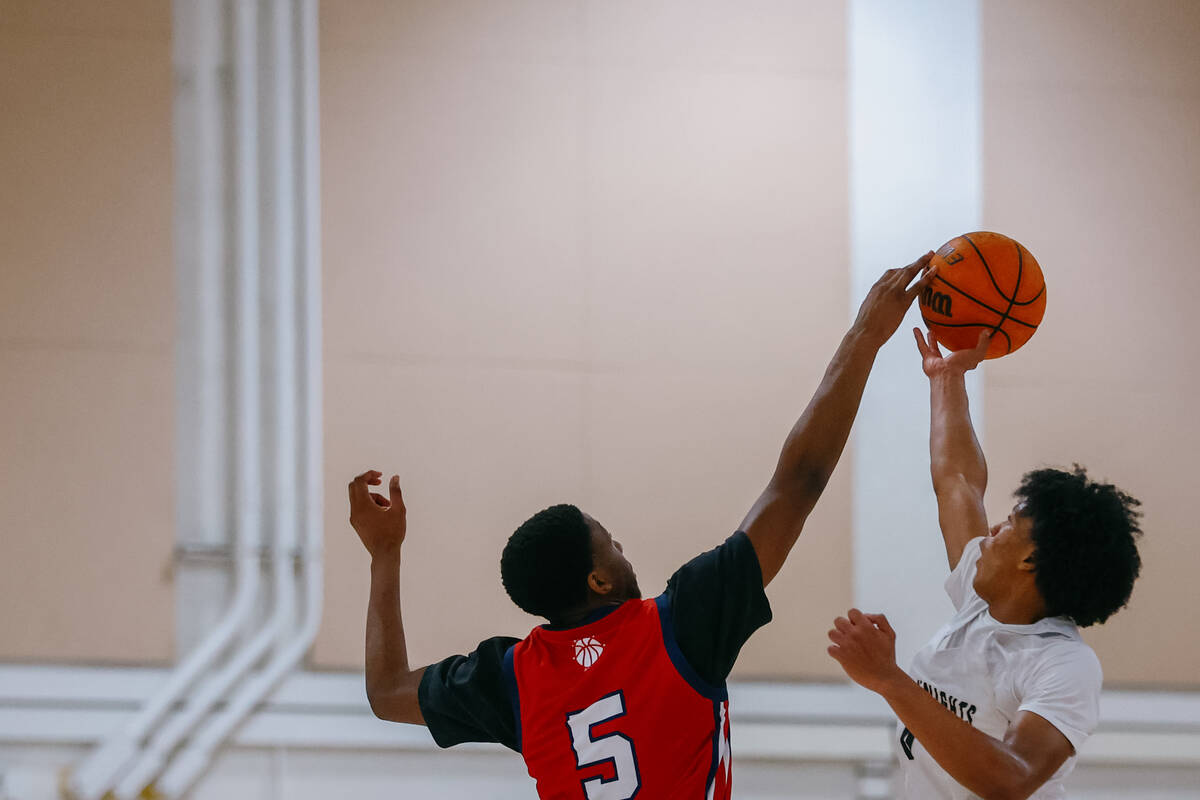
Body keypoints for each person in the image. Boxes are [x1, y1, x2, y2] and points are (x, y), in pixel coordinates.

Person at [347, 255, 937, 800]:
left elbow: (387, 693)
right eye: (610, 543)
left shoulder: (512, 679)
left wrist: (384, 554)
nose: (623, 547)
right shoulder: (680, 624)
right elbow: (798, 483)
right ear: (598, 581)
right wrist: (865, 336)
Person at [826, 328, 1143, 800]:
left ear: (1030, 558)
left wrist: (890, 680)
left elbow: (1012, 778)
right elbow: (957, 480)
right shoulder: (980, 602)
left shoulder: (1064, 664)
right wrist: (947, 379)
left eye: (1010, 523)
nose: (992, 529)